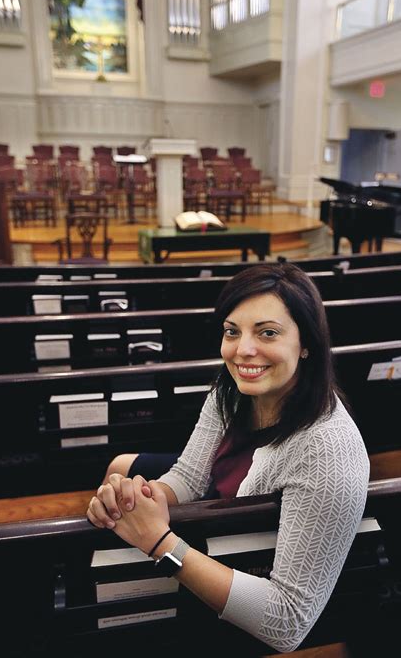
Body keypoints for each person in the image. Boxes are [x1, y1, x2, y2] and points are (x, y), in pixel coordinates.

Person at [87, 263, 370, 653]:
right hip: (226, 508)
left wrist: (161, 543)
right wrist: (140, 498)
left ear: (306, 344)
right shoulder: (232, 388)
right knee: (121, 471)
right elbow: (188, 475)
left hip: (245, 560)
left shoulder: (328, 452)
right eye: (232, 332)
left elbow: (287, 622)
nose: (243, 350)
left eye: (267, 332)